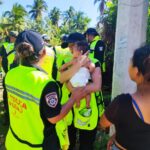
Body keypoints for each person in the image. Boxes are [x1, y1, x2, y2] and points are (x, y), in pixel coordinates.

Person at [4, 30, 88, 150]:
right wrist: (74, 97)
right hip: (37, 145)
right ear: (43, 52)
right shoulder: (46, 83)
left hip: (14, 141)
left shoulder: (10, 75)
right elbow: (54, 118)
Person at [100, 44, 150, 150]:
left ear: (136, 71)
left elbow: (103, 123)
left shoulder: (123, 103)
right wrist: (116, 135)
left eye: (131, 61)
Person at [60, 32, 102, 150]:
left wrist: (75, 91)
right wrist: (77, 65)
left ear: (80, 47)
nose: (69, 49)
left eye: (71, 46)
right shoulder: (66, 61)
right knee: (69, 143)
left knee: (86, 144)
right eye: (69, 46)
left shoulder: (93, 61)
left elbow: (96, 86)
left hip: (86, 109)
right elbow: (61, 79)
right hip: (68, 108)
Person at [60, 41, 95, 108]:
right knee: (88, 93)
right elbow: (92, 66)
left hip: (73, 81)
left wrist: (61, 68)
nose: (72, 50)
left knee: (70, 86)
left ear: (80, 52)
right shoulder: (87, 60)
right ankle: (88, 103)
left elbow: (65, 65)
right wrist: (91, 70)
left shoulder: (74, 60)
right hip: (84, 82)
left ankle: (77, 102)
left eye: (74, 49)